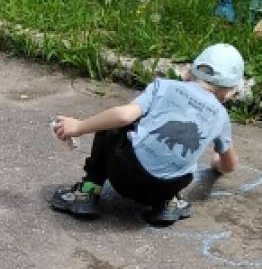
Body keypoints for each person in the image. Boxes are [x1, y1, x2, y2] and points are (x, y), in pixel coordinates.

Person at [49, 43, 242, 226]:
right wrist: (217, 164)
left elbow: (124, 116)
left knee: (112, 124)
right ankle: (167, 205)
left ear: (188, 74)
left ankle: (87, 193)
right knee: (185, 165)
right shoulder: (221, 116)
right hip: (165, 189)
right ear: (227, 93)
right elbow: (230, 165)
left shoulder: (164, 86)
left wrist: (80, 126)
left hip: (124, 176)